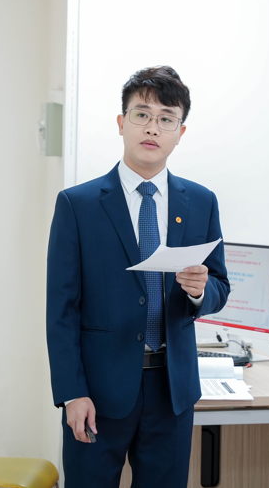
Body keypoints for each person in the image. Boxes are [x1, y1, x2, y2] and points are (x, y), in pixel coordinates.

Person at [46, 65, 230, 488]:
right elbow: (61, 310)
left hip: (171, 391)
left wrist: (200, 292)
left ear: (180, 132)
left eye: (166, 119)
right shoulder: (78, 204)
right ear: (121, 122)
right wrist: (72, 392)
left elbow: (219, 286)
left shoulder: (201, 202)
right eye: (142, 115)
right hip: (98, 392)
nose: (152, 128)